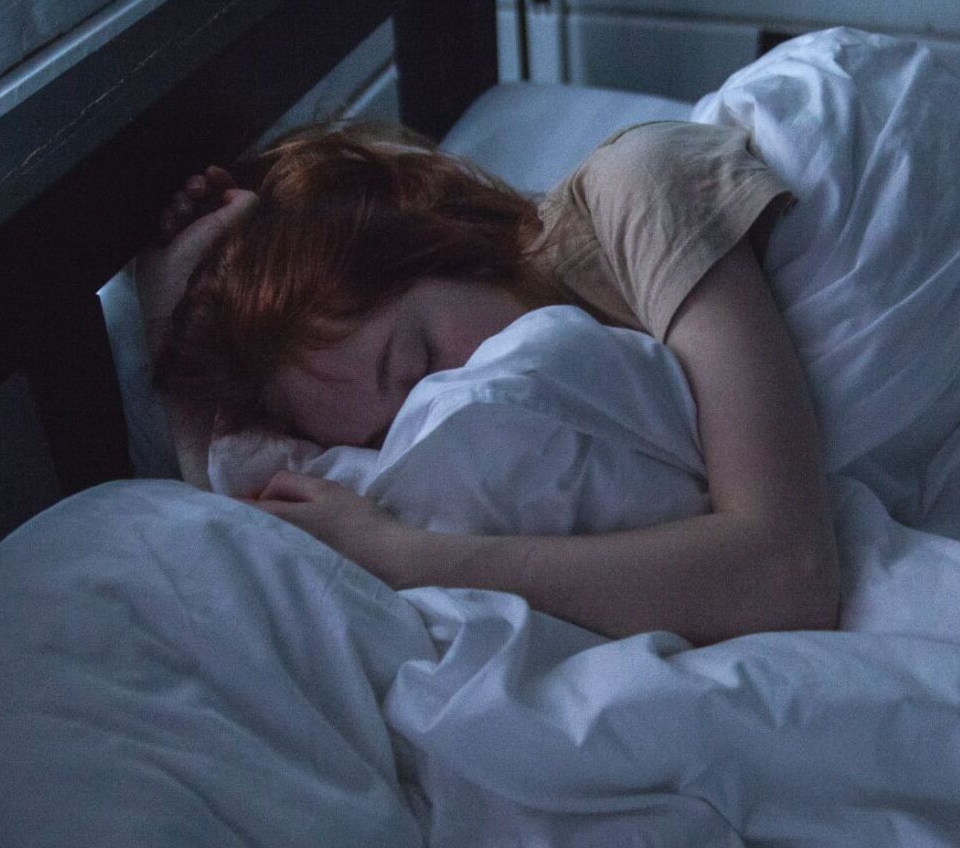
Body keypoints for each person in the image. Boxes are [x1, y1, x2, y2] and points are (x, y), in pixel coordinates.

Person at [135, 120, 839, 645]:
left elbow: (788, 571)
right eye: (386, 435)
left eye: (417, 363)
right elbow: (244, 540)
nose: (447, 408)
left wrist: (410, 559)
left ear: (440, 241)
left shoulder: (640, 190)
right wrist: (171, 335)